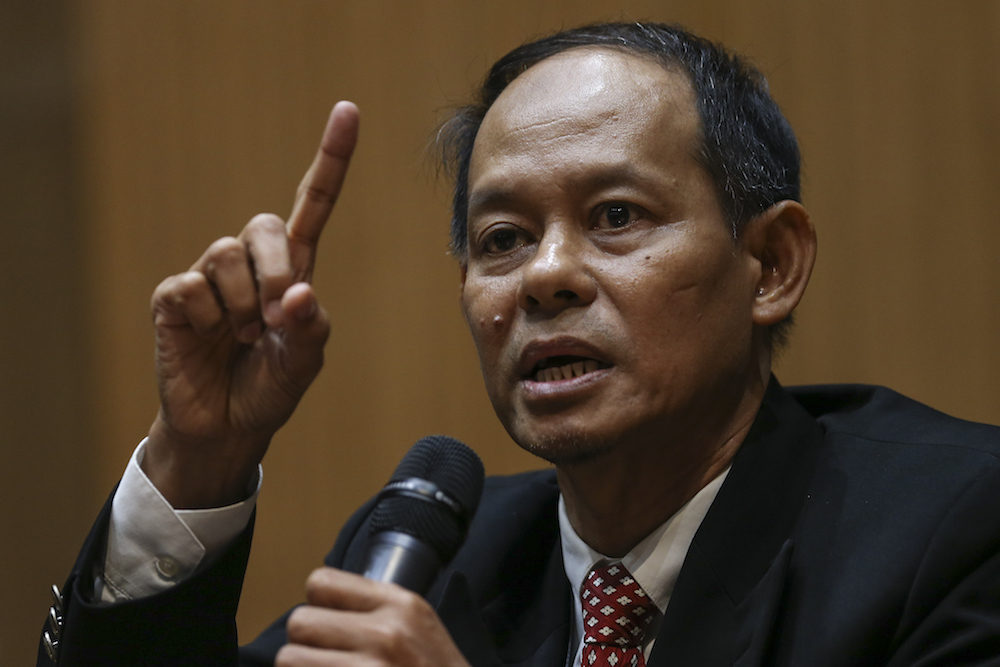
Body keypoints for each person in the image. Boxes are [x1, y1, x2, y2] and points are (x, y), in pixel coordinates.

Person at [39, 22, 1000, 667]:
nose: (545, 276)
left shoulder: (954, 530)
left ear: (772, 262)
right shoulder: (435, 558)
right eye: (501, 239)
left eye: (616, 216)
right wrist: (199, 460)